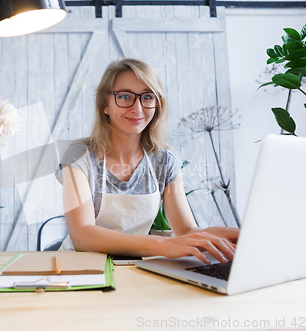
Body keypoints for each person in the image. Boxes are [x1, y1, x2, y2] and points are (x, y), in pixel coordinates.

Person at [55, 57, 239, 264]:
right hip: (79, 268)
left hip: (134, 267)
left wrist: (240, 234)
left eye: (148, 97)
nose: (138, 108)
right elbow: (82, 235)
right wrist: (163, 245)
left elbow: (186, 230)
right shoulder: (79, 157)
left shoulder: (164, 161)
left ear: (157, 105)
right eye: (124, 96)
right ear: (104, 104)